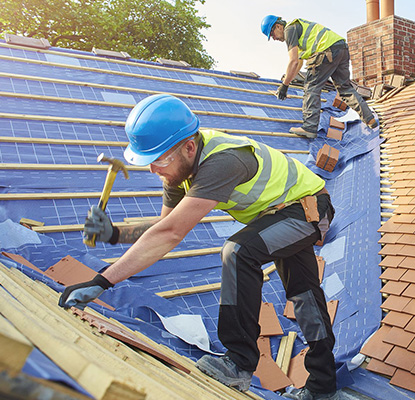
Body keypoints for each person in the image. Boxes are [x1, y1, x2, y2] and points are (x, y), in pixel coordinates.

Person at [58, 94, 340, 400]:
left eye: (159, 160)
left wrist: (102, 280)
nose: (154, 169)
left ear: (189, 147)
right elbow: (162, 228)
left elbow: (170, 234)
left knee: (238, 252)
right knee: (305, 295)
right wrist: (115, 233)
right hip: (280, 213)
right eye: (148, 161)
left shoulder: (223, 162)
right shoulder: (177, 170)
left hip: (309, 208)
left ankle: (239, 362)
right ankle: (323, 387)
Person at [261, 14, 377, 139]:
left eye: (272, 34)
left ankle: (309, 127)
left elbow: (293, 61)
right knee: (345, 89)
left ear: (278, 26)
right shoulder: (298, 30)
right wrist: (286, 81)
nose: (274, 38)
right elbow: (298, 63)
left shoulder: (289, 29)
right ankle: (370, 119)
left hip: (325, 51)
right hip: (341, 49)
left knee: (311, 87)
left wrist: (284, 86)